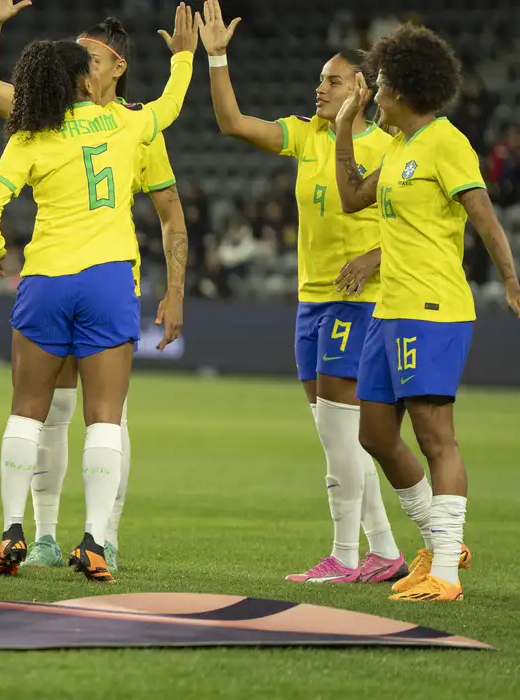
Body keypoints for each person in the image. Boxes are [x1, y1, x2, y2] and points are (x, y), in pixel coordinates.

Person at [0, 4, 197, 583]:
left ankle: (12, 530)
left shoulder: (33, 129)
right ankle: (95, 541)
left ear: (113, 65)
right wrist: (187, 56)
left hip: (46, 277)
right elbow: (172, 107)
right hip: (107, 278)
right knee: (106, 419)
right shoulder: (131, 125)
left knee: (27, 412)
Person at [196, 0, 405, 584]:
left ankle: (343, 557)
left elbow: (420, 231)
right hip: (311, 300)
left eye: (332, 81)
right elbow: (234, 123)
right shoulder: (309, 135)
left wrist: (373, 256)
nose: (320, 89)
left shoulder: (389, 150)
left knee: (343, 432)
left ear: (361, 88)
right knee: (334, 434)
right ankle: (383, 551)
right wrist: (216, 58)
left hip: (357, 302)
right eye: (318, 80)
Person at [333, 24, 520, 601]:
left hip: (432, 308)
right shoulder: (394, 148)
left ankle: (444, 572)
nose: (375, 92)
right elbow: (350, 198)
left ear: (405, 88)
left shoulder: (446, 142)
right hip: (389, 311)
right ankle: (440, 543)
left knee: (437, 435)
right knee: (375, 434)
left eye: (381, 82)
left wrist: (512, 281)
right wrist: (344, 130)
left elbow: (485, 219)